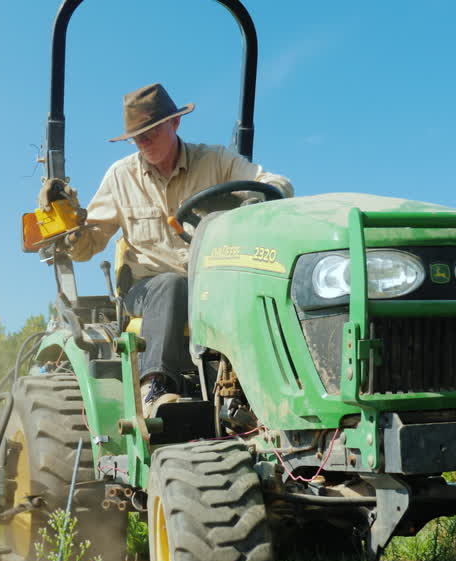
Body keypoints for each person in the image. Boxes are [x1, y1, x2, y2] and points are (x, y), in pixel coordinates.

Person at [38, 82, 293, 415]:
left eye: (151, 131)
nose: (144, 141)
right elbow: (89, 244)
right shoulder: (120, 177)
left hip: (214, 286)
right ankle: (154, 389)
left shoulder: (215, 162)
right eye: (137, 136)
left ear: (175, 123)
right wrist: (69, 226)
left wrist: (255, 198)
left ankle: (278, 396)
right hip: (148, 289)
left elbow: (277, 184)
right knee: (172, 285)